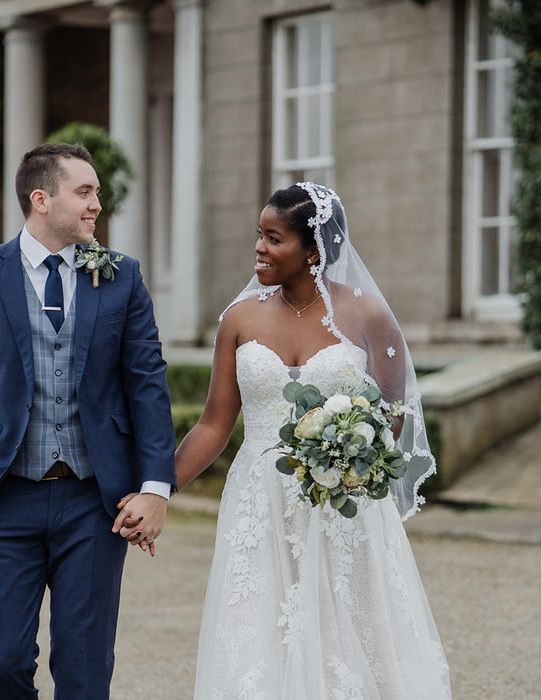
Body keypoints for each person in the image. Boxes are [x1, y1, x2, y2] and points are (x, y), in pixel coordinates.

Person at [177, 183, 451, 698]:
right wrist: (157, 488)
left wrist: (352, 454)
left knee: (350, 634)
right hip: (260, 504)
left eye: (273, 238)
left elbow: (393, 416)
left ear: (312, 250)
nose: (259, 247)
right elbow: (214, 423)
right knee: (258, 633)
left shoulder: (369, 316)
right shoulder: (239, 319)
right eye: (258, 235)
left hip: (343, 504)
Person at [0, 142, 175, 699]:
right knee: (4, 662)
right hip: (1, 498)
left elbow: (148, 386)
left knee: (86, 671)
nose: (96, 204)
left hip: (93, 502)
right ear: (41, 199)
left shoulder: (121, 276)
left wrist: (155, 486)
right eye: (84, 192)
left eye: (97, 193)